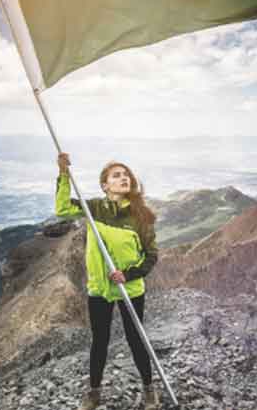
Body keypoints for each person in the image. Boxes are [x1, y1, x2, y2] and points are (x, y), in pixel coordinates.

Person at [55, 152, 160, 410]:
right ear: (105, 185)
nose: (123, 178)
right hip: (100, 289)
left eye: (126, 175)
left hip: (130, 287)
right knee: (99, 340)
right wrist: (64, 174)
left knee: (136, 338)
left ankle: (149, 390)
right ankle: (94, 392)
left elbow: (152, 255)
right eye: (116, 175)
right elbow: (62, 209)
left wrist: (130, 274)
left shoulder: (141, 216)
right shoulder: (95, 208)